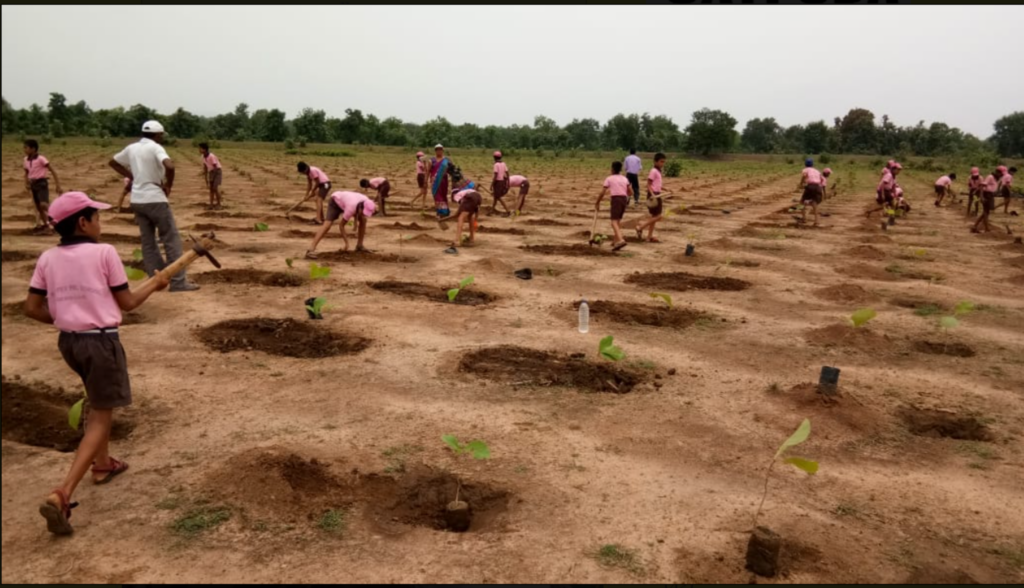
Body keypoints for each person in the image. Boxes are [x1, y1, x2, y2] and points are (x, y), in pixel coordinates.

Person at [25, 192, 170, 535]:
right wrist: (157, 283)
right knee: (101, 416)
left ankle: (103, 465)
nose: (100, 224)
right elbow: (129, 302)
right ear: (83, 222)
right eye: (97, 218)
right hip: (101, 342)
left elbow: (31, 308)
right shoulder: (103, 253)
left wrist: (68, 319)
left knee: (96, 399)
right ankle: (63, 493)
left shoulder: (48, 258)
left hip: (69, 343)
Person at [109, 121, 199, 292]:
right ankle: (178, 282)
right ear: (157, 135)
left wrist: (132, 176)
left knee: (148, 241)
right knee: (170, 239)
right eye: (162, 135)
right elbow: (170, 165)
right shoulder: (155, 147)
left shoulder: (132, 148)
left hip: (137, 200)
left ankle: (156, 279)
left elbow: (112, 162)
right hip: (155, 198)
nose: (162, 138)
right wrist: (168, 185)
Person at [305, 191, 377, 259]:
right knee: (327, 224)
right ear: (360, 208)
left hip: (347, 201)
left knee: (363, 220)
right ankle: (311, 249)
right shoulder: (351, 207)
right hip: (336, 201)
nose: (364, 214)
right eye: (364, 212)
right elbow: (341, 225)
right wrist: (346, 243)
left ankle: (359, 246)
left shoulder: (368, 202)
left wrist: (356, 222)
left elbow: (359, 212)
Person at [23, 139, 63, 233]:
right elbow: (26, 173)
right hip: (33, 184)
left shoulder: (41, 158)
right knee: (39, 207)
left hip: (41, 183)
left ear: (33, 149)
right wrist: (26, 183)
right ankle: (47, 226)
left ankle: (58, 219)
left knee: (43, 204)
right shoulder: (25, 159)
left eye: (26, 148)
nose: (24, 150)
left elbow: (52, 171)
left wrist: (58, 184)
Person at [595, 161, 633, 252]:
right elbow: (631, 192)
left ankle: (621, 240)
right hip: (624, 199)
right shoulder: (624, 179)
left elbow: (603, 192)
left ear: (612, 169)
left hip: (616, 199)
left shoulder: (609, 178)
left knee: (613, 222)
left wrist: (597, 202)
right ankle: (615, 241)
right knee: (618, 221)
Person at [636, 153, 671, 243]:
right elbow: (648, 184)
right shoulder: (653, 171)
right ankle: (641, 226)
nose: (662, 163)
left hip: (657, 194)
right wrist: (652, 195)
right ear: (655, 161)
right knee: (658, 216)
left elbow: (657, 184)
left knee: (654, 216)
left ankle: (649, 237)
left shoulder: (658, 171)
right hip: (654, 196)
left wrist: (665, 188)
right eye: (661, 161)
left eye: (663, 162)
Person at [447, 188, 482, 253]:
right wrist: (476, 218)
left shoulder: (456, 195)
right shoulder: (467, 191)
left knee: (461, 218)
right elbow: (476, 208)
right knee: (470, 217)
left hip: (470, 198)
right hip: (479, 197)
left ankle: (457, 241)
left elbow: (462, 207)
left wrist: (457, 214)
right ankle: (472, 239)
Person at [972, 168, 1003, 234]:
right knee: (986, 212)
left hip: (990, 195)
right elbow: (982, 186)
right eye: (1001, 174)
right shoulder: (990, 177)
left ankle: (975, 226)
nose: (1001, 176)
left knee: (986, 212)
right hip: (987, 195)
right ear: (998, 172)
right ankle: (986, 228)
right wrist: (981, 196)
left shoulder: (995, 178)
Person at [797, 158, 824, 227]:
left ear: (805, 164)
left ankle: (804, 219)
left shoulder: (805, 170)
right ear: (812, 164)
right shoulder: (817, 171)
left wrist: (801, 184)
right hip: (818, 187)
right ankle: (817, 221)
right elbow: (821, 179)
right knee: (814, 204)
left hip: (810, 186)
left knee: (801, 203)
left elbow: (804, 176)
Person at [429, 144, 452, 218]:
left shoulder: (447, 160)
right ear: (435, 151)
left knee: (443, 195)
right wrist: (425, 181)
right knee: (436, 196)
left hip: (444, 181)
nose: (439, 151)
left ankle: (445, 211)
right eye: (437, 150)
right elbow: (428, 171)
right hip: (434, 181)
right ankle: (440, 211)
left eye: (440, 149)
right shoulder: (431, 160)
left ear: (442, 151)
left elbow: (451, 170)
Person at [199, 143, 223, 210]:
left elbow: (215, 166)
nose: (199, 150)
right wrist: (206, 178)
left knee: (215, 188)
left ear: (204, 149)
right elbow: (205, 167)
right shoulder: (203, 156)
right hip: (211, 172)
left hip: (217, 171)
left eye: (200, 148)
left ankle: (219, 204)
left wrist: (213, 177)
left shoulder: (211, 156)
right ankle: (211, 205)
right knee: (211, 189)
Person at [490, 151, 511, 216]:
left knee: (498, 197)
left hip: (497, 182)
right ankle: (492, 210)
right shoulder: (504, 164)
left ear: (494, 157)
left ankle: (507, 211)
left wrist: (491, 184)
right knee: (495, 197)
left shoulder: (496, 165)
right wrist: (507, 181)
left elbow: (496, 175)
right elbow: (507, 173)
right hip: (502, 182)